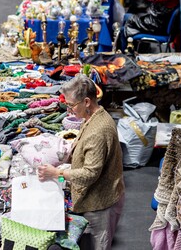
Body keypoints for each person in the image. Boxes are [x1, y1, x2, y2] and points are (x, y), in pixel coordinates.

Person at [37, 74, 125, 250]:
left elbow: (89, 174)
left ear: (86, 102)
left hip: (100, 203)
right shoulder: (93, 117)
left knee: (97, 245)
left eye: (71, 105)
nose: (69, 110)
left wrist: (57, 174)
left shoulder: (98, 131)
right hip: (96, 197)